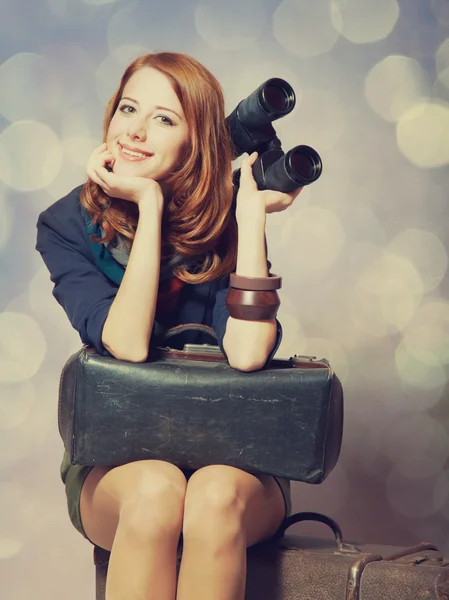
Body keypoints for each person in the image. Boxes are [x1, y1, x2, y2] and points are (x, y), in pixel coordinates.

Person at [36, 52, 302, 600]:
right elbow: (127, 345)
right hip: (119, 458)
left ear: (196, 141)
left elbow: (249, 354)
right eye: (128, 108)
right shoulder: (64, 225)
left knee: (212, 496)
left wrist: (247, 219)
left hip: (237, 458)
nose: (135, 129)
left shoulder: (220, 213)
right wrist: (148, 205)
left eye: (164, 118)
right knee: (157, 489)